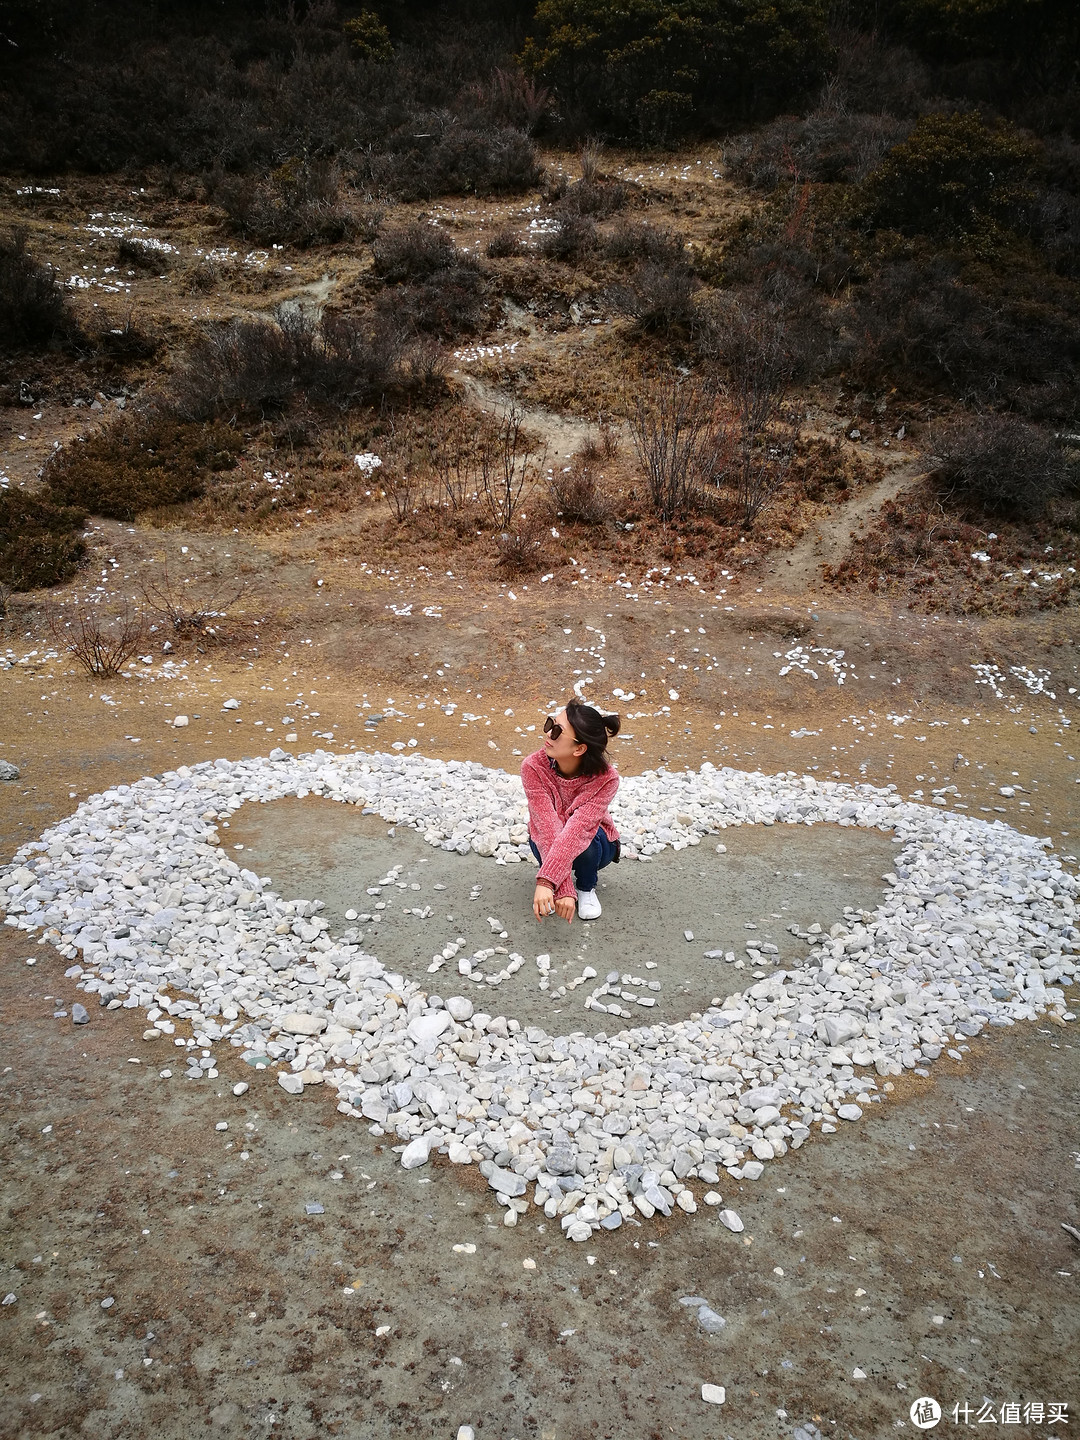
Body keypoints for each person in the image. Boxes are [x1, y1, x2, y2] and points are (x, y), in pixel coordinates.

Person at [521, 699, 621, 923]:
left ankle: (586, 887)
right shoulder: (532, 767)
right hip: (549, 839)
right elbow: (546, 826)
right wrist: (560, 887)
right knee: (542, 830)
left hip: (597, 845)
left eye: (557, 731)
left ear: (579, 748)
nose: (548, 734)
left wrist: (547, 881)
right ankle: (562, 880)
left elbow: (579, 830)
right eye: (550, 724)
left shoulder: (606, 779)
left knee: (583, 833)